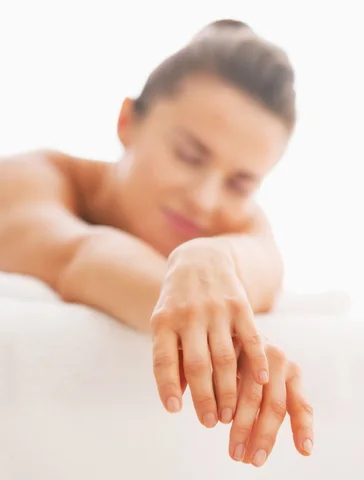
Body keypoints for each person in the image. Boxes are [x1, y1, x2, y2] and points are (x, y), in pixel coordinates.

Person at [0, 19, 313, 468]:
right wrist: (198, 300)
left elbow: (264, 264)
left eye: (241, 183)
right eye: (189, 155)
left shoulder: (238, 222)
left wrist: (210, 256)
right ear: (127, 121)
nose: (205, 199)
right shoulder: (26, 180)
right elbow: (77, 256)